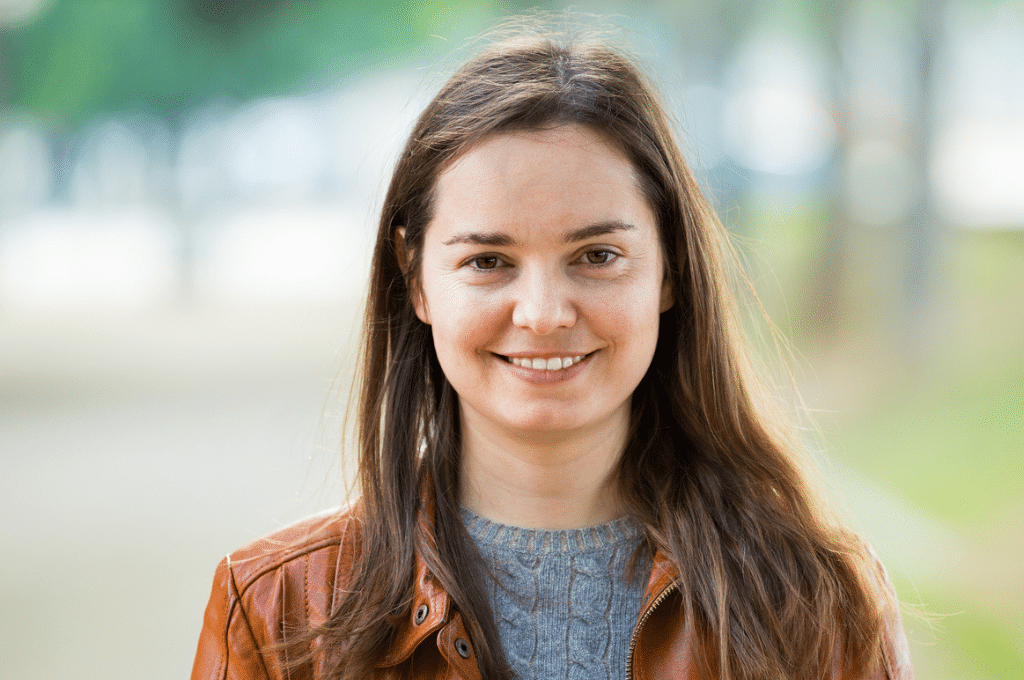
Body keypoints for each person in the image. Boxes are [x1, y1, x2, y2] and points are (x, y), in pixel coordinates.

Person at [191, 24, 914, 680]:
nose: (542, 314)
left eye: (596, 255)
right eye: (487, 262)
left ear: (669, 271)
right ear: (416, 280)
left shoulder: (816, 600)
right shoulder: (276, 613)